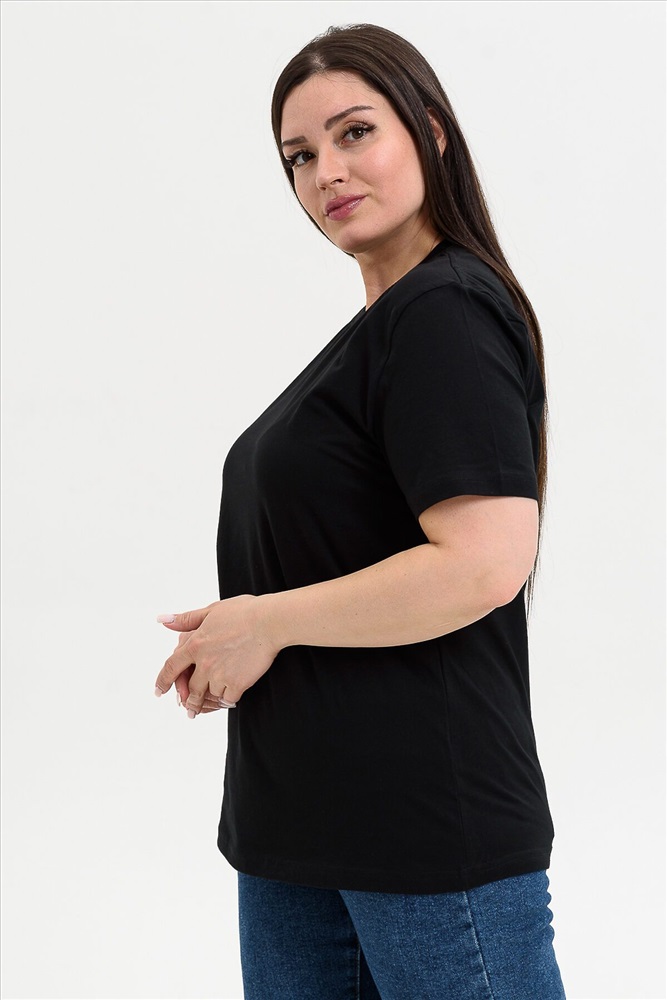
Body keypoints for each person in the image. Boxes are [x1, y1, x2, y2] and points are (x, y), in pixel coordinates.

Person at [154, 22, 567, 1000]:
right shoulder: (378, 333)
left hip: (421, 835)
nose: (325, 172)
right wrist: (241, 634)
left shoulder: (444, 311)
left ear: (430, 132)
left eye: (353, 132)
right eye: (299, 156)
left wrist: (263, 622)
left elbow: (483, 562)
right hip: (302, 827)